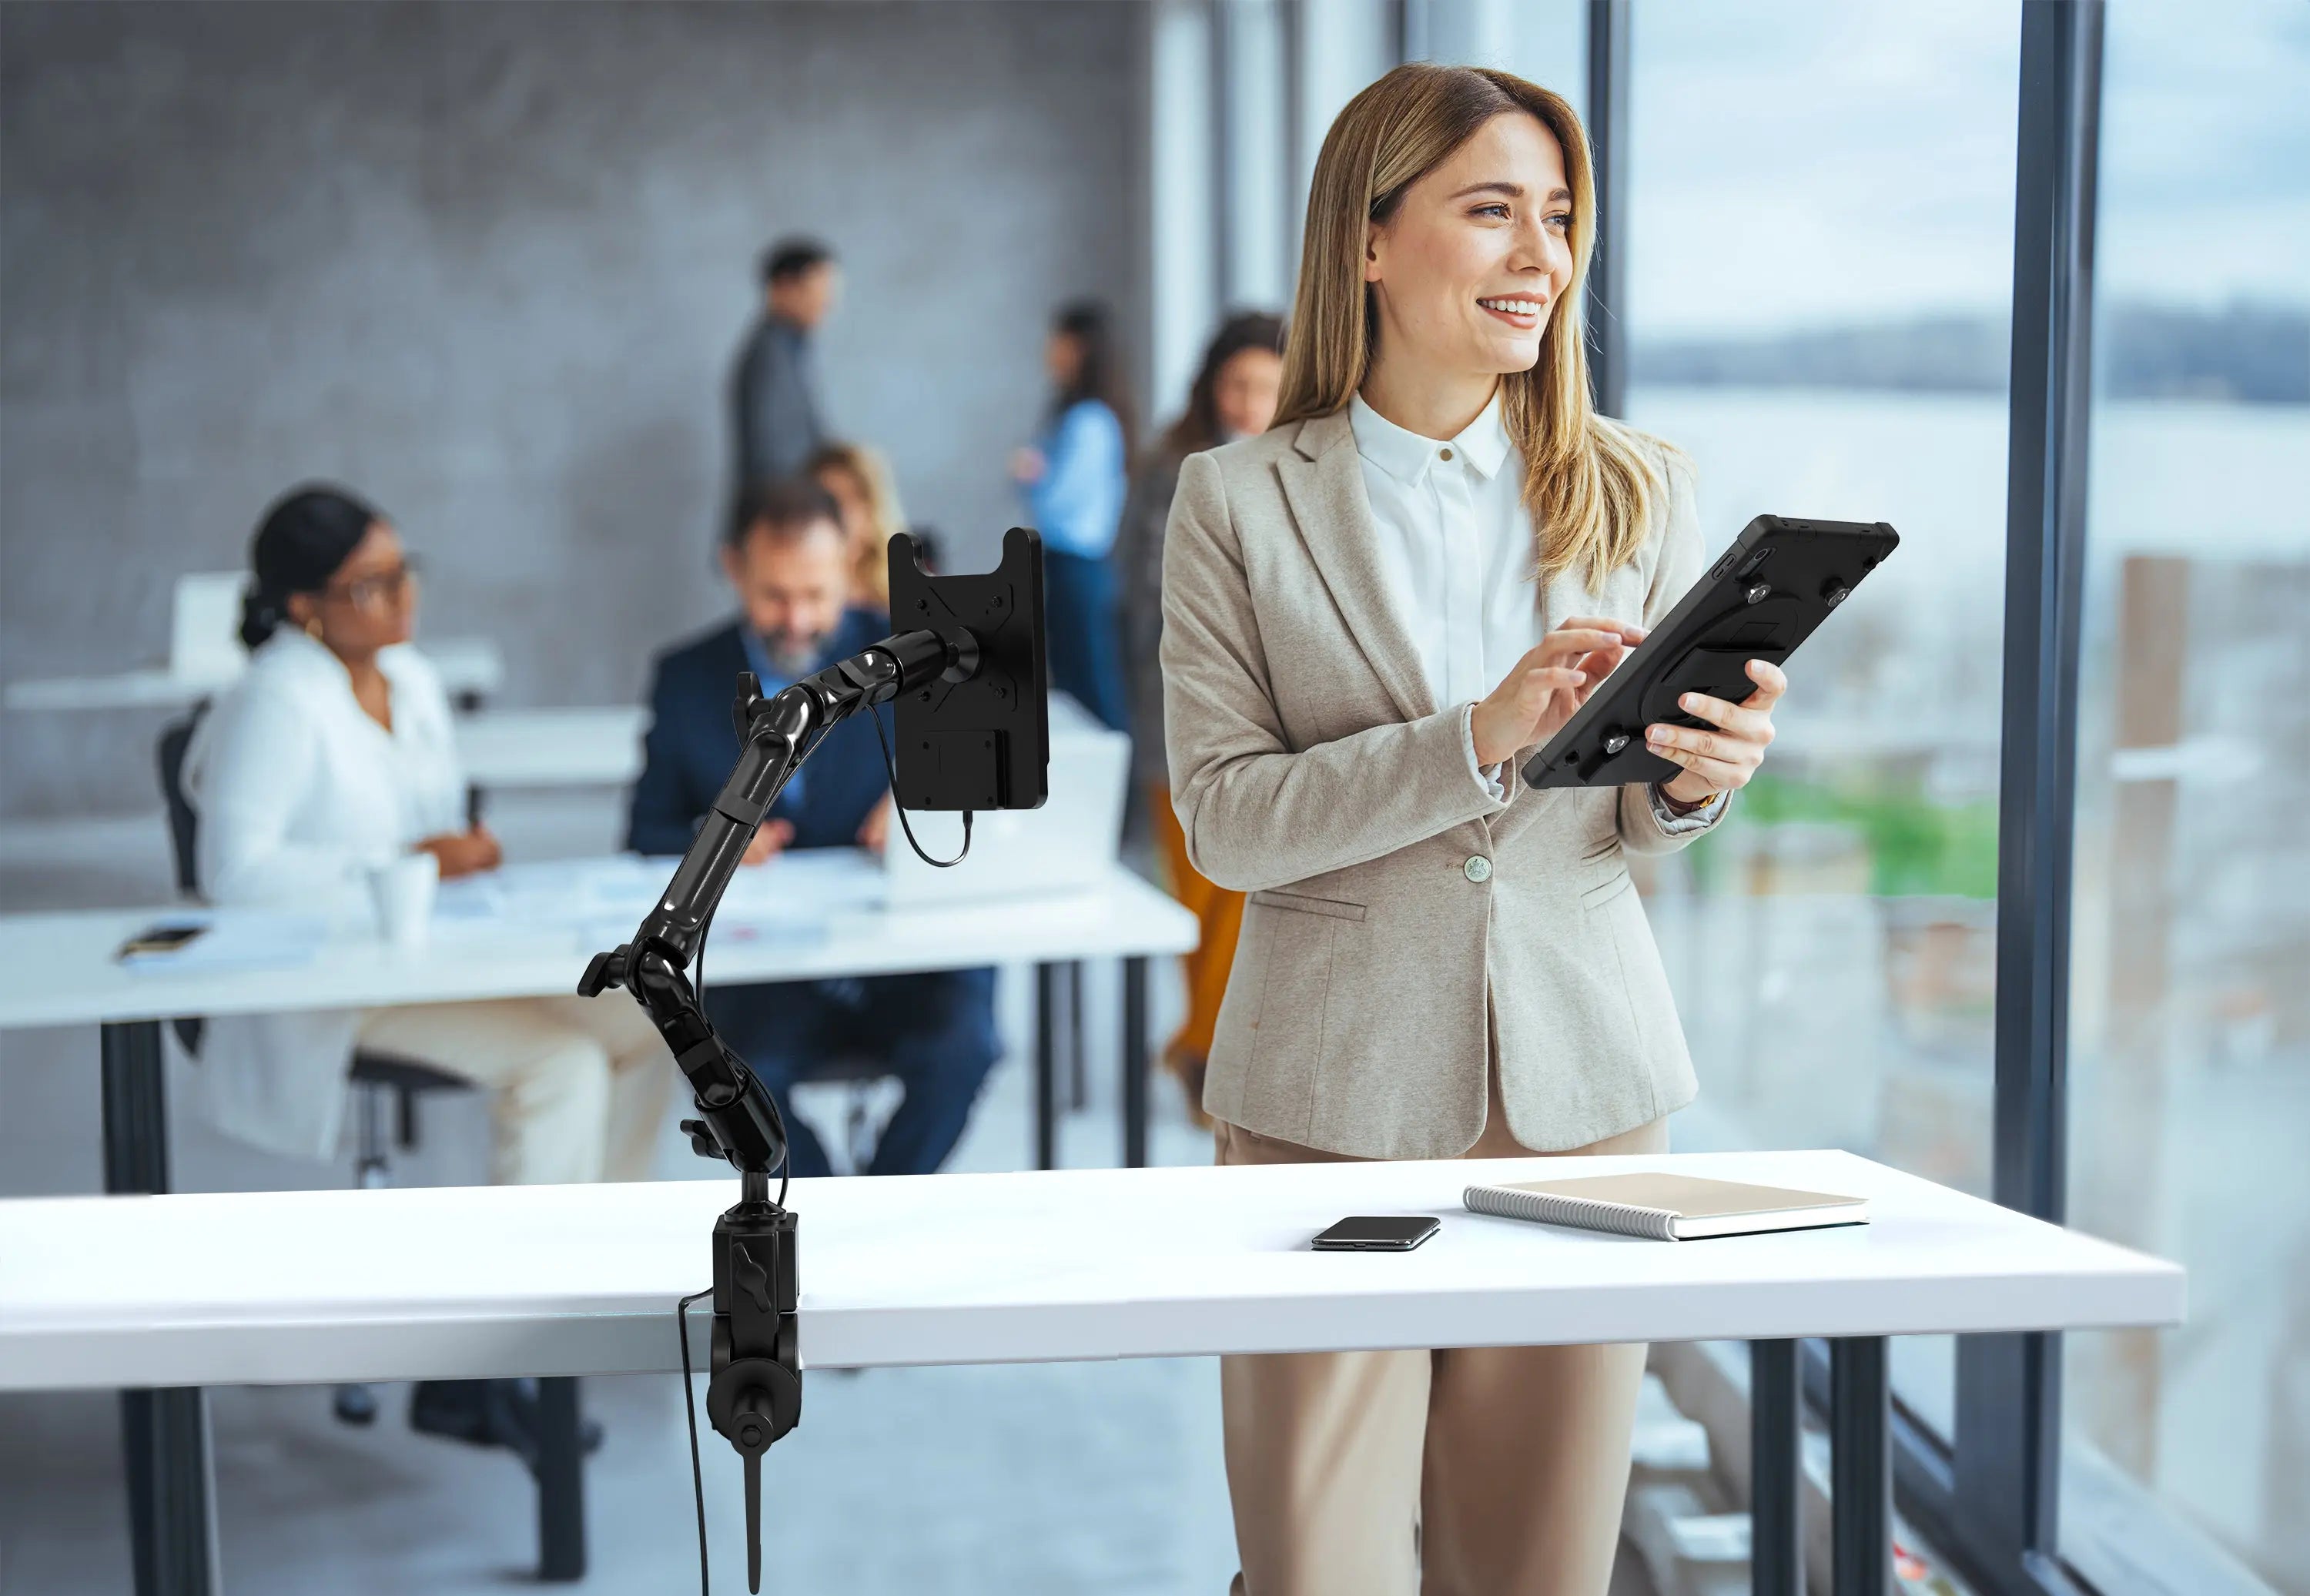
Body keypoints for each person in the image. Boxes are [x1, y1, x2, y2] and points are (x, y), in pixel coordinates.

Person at [1160, 64, 1786, 1595]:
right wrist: (1474, 738)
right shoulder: (1236, 502)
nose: (1540, 257)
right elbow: (1227, 819)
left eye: (1558, 217)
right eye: (1491, 210)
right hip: (1325, 1091)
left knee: (1539, 1574)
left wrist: (1697, 779)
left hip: (1589, 1084)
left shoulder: (1640, 489)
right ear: (1368, 241)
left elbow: (1629, 833)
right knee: (1316, 1572)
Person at [187, 483, 671, 1454]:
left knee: (653, 1019)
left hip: (434, 953)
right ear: (302, 605)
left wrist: (458, 849)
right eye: (372, 584)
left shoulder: (406, 678)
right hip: (333, 986)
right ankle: (485, 1364)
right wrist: (410, 867)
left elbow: (429, 824)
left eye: (405, 573)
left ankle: (582, 1276)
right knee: (560, 1067)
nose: (402, 598)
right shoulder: (274, 703)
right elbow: (231, 875)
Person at [625, 478, 999, 1179]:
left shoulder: (916, 659)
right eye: (774, 595)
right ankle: (826, 1203)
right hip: (767, 971)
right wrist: (714, 837)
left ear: (849, 567)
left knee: (966, 1044)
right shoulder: (685, 678)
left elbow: (985, 801)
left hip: (903, 957)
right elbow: (644, 832)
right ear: (734, 567)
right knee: (727, 1068)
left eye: (816, 596)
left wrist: (928, 809)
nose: (796, 620)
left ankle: (885, 1199)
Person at [1113, 311, 1286, 1122]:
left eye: (1268, 387)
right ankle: (1206, 1058)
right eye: (1239, 385)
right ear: (1212, 387)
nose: (1251, 404)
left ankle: (1209, 1055)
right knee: (1200, 900)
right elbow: (1152, 601)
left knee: (1248, 905)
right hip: (1175, 721)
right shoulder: (1173, 469)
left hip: (1275, 729)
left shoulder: (1301, 464)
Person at [1013, 300, 1133, 732]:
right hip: (1068, 567)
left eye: (1059, 342)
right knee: (1075, 686)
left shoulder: (1089, 421)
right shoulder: (1078, 415)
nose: (1050, 351)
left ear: (1081, 348)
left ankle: (1121, 796)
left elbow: (1054, 501)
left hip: (1079, 568)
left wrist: (1032, 474)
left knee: (1093, 691)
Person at [731, 237, 840, 488]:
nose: (827, 303)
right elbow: (774, 456)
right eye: (818, 290)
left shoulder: (791, 347)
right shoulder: (769, 356)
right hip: (786, 510)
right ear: (783, 287)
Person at [807, 439, 906, 610]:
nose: (841, 513)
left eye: (851, 498)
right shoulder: (797, 609)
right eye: (828, 501)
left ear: (873, 509)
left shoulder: (906, 597)